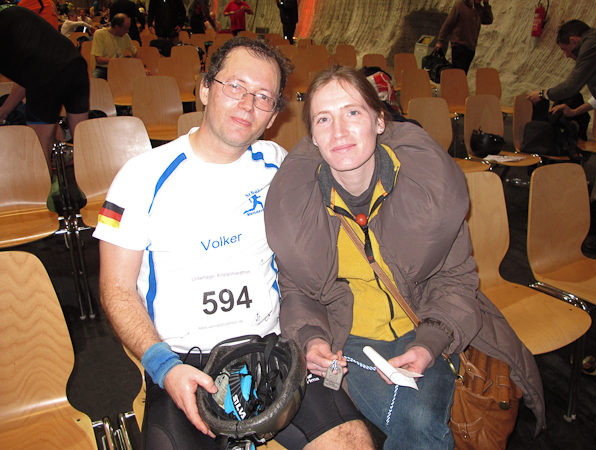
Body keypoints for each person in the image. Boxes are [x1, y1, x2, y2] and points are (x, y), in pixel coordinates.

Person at [94, 38, 376, 450]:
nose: (247, 105)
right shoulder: (141, 177)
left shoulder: (280, 165)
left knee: (353, 442)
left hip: (274, 350)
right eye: (235, 87)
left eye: (263, 97)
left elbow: (357, 155)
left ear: (274, 115)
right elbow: (116, 289)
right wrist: (163, 367)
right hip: (185, 361)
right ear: (205, 88)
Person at [264, 65, 546, 449]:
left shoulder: (425, 191)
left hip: (424, 323)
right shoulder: (301, 207)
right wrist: (312, 339)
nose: (339, 132)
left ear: (379, 121)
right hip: (347, 339)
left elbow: (455, 279)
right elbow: (298, 290)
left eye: (352, 112)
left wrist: (429, 343)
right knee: (419, 426)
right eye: (323, 119)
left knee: (418, 425)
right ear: (312, 136)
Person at [527, 20, 596, 244]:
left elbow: (570, 87)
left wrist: (543, 93)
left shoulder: (591, 44)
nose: (567, 56)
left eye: (565, 50)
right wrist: (575, 111)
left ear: (574, 41)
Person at [0, 4, 89, 170]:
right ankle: (91, 182)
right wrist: (5, 111)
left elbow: (36, 72)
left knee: (39, 149)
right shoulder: (14, 16)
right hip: (75, 64)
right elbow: (27, 77)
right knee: (82, 141)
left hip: (45, 72)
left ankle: (45, 186)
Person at [435, 0, 493, 74]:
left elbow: (488, 20)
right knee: (459, 74)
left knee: (463, 75)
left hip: (471, 47)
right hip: (459, 45)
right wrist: (440, 40)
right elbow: (448, 24)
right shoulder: (460, 6)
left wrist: (486, 4)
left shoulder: (478, 9)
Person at [91, 13, 141, 79]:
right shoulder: (100, 34)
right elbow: (99, 60)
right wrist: (118, 60)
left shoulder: (125, 36)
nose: (128, 31)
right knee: (94, 82)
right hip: (103, 69)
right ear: (117, 27)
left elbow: (135, 52)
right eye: (125, 29)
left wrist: (142, 68)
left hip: (119, 68)